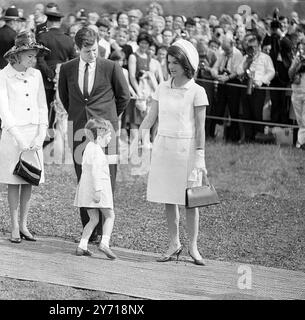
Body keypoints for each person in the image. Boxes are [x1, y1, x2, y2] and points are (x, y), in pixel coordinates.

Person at [139, 39, 209, 266]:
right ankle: (173, 243)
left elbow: (200, 128)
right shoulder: (161, 87)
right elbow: (150, 119)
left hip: (187, 151)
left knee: (192, 201)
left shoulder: (197, 91)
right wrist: (142, 142)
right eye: (169, 62)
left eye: (176, 62)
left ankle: (193, 247)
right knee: (168, 199)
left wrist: (200, 157)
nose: (171, 66)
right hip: (163, 148)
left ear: (186, 63)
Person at [58, 27, 130, 243]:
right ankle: (89, 231)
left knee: (108, 177)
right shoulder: (68, 69)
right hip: (79, 129)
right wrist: (81, 119)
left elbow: (124, 96)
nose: (92, 54)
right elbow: (65, 97)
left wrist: (107, 121)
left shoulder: (111, 67)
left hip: (107, 132)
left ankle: (103, 232)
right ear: (78, 48)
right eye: (88, 51)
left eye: (95, 49)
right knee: (84, 178)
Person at [0, 31, 49, 243]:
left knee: (29, 179)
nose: (34, 61)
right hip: (13, 134)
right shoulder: (2, 76)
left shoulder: (36, 75)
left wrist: (41, 134)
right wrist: (19, 138)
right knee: (13, 180)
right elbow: (4, 110)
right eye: (30, 56)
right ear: (17, 56)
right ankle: (14, 226)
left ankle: (24, 224)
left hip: (34, 133)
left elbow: (42, 105)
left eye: (35, 56)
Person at [74, 118, 117, 259]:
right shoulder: (97, 151)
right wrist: (98, 191)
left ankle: (82, 245)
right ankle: (105, 242)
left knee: (93, 219)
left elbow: (90, 167)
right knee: (110, 216)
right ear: (99, 136)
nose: (110, 138)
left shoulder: (89, 148)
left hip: (86, 190)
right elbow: (96, 172)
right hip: (98, 190)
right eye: (108, 135)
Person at [36, 6, 75, 146]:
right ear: (59, 22)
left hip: (46, 79)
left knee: (44, 108)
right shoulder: (69, 40)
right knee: (59, 110)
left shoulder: (42, 36)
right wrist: (61, 76)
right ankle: (54, 139)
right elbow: (72, 61)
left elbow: (40, 59)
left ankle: (45, 138)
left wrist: (50, 74)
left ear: (48, 22)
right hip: (62, 79)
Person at [0, 6, 25, 138]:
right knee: (8, 101)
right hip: (8, 68)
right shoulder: (14, 36)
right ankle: (3, 127)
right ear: (14, 22)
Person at [236, 34, 275, 142]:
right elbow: (238, 71)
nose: (252, 49)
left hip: (258, 88)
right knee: (246, 112)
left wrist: (262, 81)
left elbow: (271, 72)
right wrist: (247, 62)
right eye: (250, 46)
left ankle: (258, 136)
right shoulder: (245, 57)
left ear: (259, 46)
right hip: (245, 86)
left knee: (257, 112)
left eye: (254, 46)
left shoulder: (265, 57)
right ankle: (248, 137)